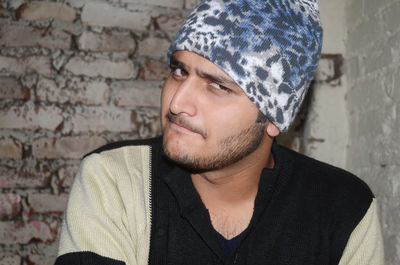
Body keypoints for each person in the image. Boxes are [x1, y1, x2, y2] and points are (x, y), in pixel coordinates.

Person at [55, 0, 384, 264]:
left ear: (274, 116)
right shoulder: (115, 178)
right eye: (179, 71)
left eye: (217, 86)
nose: (177, 102)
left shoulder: (345, 208)